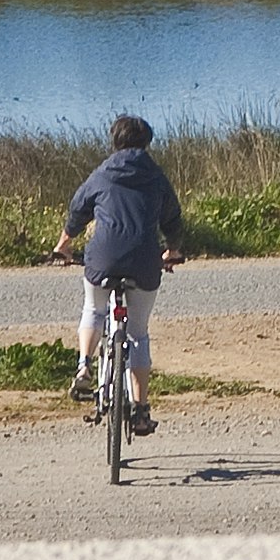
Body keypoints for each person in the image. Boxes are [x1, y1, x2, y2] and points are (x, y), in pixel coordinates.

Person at [51, 113, 186, 436]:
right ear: (146, 143)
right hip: (144, 261)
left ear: (115, 141)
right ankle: (140, 410)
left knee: (94, 309)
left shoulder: (103, 173)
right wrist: (173, 251)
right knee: (137, 333)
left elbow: (77, 211)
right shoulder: (155, 176)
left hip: (102, 259)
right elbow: (173, 220)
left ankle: (84, 365)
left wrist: (63, 247)